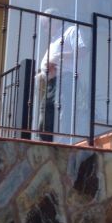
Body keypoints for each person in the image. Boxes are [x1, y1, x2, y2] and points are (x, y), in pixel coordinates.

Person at [34, 9, 88, 141]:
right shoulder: (55, 39)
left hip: (66, 78)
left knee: (64, 111)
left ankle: (65, 142)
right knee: (46, 110)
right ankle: (45, 143)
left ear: (55, 20)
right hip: (52, 81)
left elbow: (83, 50)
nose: (45, 29)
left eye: (46, 25)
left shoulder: (71, 31)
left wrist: (59, 56)